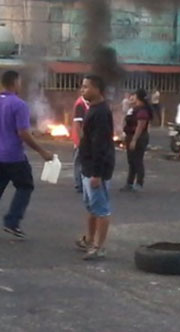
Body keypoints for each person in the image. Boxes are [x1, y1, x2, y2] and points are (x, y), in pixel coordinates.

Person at [0, 70, 53, 240]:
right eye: (20, 81)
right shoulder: (19, 105)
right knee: (25, 186)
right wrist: (42, 151)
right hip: (14, 156)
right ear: (15, 82)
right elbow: (23, 133)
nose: (21, 84)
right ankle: (12, 221)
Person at [75, 75, 115, 260]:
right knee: (91, 207)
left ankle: (99, 247)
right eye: (82, 87)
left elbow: (101, 145)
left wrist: (97, 174)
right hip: (87, 167)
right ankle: (90, 240)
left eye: (86, 87)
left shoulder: (101, 112)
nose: (82, 90)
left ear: (97, 89)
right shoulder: (93, 109)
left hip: (96, 170)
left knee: (101, 209)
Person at [121, 89, 152, 192]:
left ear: (138, 97)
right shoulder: (134, 109)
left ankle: (139, 183)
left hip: (139, 137)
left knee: (137, 160)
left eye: (133, 95)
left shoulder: (142, 110)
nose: (131, 97)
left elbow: (140, 126)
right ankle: (129, 183)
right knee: (131, 161)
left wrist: (134, 140)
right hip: (130, 136)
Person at [71, 95, 89, 193]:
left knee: (81, 162)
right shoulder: (80, 105)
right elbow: (78, 125)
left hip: (83, 140)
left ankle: (81, 183)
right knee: (79, 162)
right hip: (81, 141)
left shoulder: (84, 104)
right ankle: (79, 184)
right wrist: (80, 141)